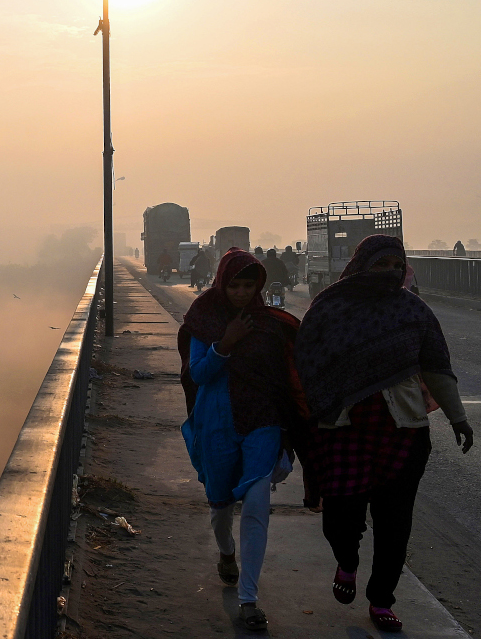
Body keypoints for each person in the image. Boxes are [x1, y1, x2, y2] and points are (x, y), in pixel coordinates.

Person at [295, 235, 474, 633]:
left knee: (395, 522)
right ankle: (347, 561)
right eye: (382, 265)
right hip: (343, 430)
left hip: (404, 431)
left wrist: (458, 418)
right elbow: (306, 362)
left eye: (398, 265)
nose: (391, 273)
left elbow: (437, 367)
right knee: (340, 518)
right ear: (362, 266)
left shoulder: (414, 311)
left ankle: (381, 600)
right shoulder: (329, 308)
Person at [177, 248, 307, 631]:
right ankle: (226, 552)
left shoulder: (270, 324)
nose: (241, 292)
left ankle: (249, 600)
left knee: (255, 504)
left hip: (262, 422)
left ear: (259, 286)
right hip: (216, 421)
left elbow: (288, 375)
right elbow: (198, 374)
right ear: (222, 282)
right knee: (220, 507)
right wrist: (226, 343)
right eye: (234, 285)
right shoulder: (203, 319)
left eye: (248, 285)